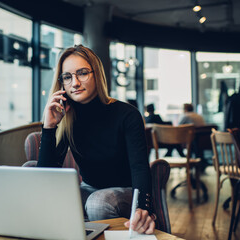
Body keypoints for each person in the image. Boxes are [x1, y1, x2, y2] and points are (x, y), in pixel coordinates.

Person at [37, 45, 156, 234]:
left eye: (82, 73)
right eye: (67, 77)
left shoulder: (127, 115)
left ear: (97, 74)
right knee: (31, 174)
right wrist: (49, 127)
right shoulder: (67, 117)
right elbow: (45, 178)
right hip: (89, 188)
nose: (74, 83)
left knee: (98, 202)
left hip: (125, 190)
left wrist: (144, 209)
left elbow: (139, 168)